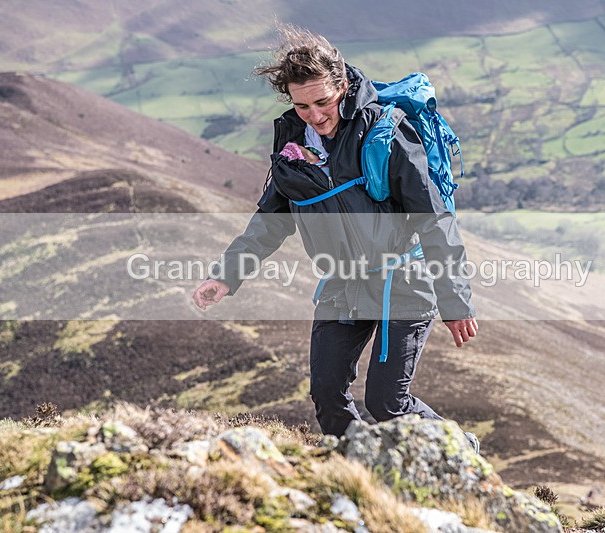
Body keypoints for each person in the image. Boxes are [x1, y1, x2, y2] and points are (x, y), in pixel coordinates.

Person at [193, 24, 479, 450]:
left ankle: (461, 455)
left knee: (387, 404)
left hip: (403, 281)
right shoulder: (294, 148)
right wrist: (226, 276)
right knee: (327, 397)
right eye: (302, 105)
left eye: (323, 101)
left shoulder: (384, 133)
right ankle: (361, 475)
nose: (315, 115)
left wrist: (454, 300)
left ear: (343, 85)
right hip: (343, 284)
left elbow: (433, 217)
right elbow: (270, 220)